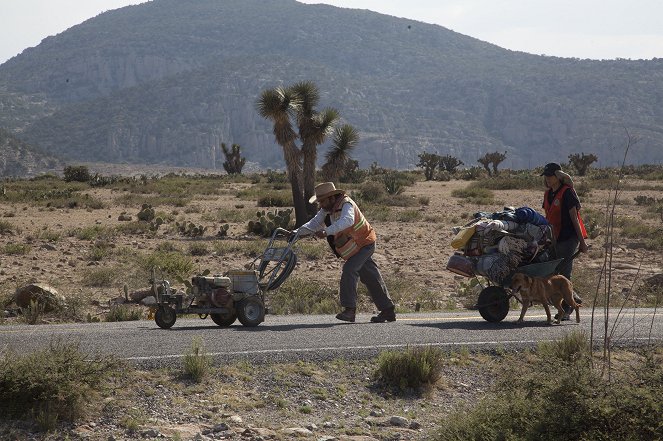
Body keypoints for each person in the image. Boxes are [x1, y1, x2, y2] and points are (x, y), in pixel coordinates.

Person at [295, 182, 395, 323]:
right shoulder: (327, 209)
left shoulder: (346, 204)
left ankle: (350, 310)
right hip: (355, 246)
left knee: (349, 270)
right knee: (371, 277)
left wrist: (327, 231)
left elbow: (348, 221)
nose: (321, 204)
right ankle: (388, 311)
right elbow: (314, 223)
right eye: (320, 201)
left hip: (365, 243)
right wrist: (295, 233)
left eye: (323, 201)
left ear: (331, 198)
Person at [541, 162, 588, 319]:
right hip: (553, 238)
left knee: (565, 273)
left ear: (558, 176)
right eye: (546, 176)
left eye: (550, 176)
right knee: (554, 273)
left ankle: (568, 309)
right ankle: (574, 299)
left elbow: (575, 218)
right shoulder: (548, 194)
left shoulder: (567, 193)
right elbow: (547, 217)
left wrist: (582, 242)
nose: (548, 179)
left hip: (568, 237)